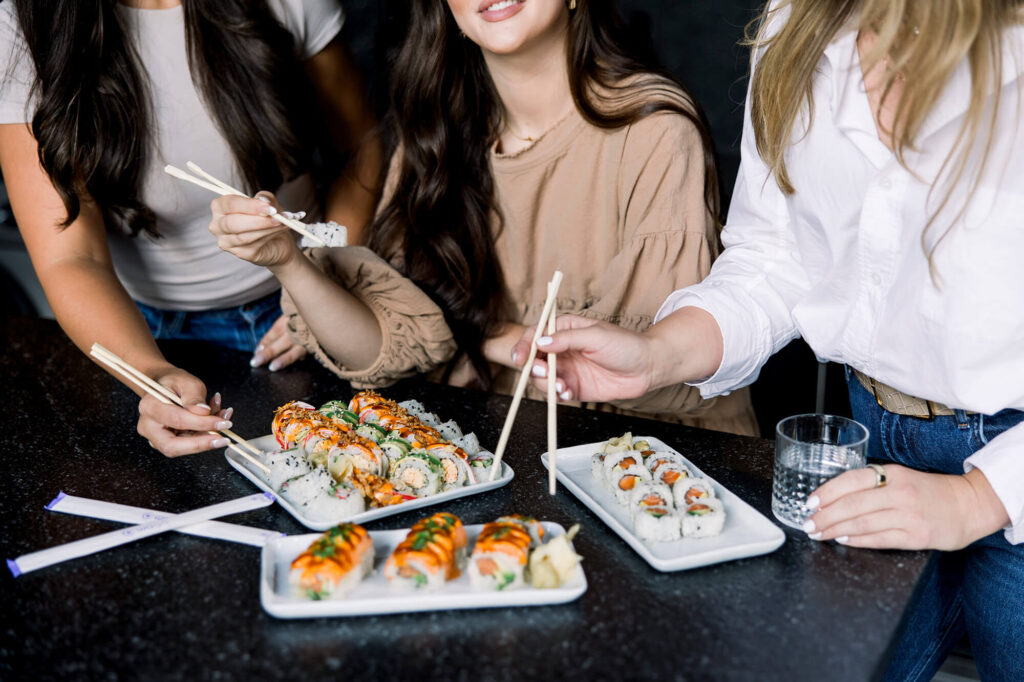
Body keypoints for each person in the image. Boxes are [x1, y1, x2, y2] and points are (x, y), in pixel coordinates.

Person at [512, 0, 1024, 678]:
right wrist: (657, 354)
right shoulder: (794, 24)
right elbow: (774, 261)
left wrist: (979, 498)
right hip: (862, 446)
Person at [207, 0, 759, 434]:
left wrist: (483, 336)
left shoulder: (655, 131)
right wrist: (289, 264)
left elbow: (631, 375)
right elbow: (387, 349)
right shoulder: (434, 134)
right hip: (490, 447)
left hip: (646, 459)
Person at [0, 0, 381, 456]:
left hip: (310, 297)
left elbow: (363, 147)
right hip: (139, 331)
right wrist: (149, 371)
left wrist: (320, 287)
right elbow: (71, 256)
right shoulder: (24, 25)